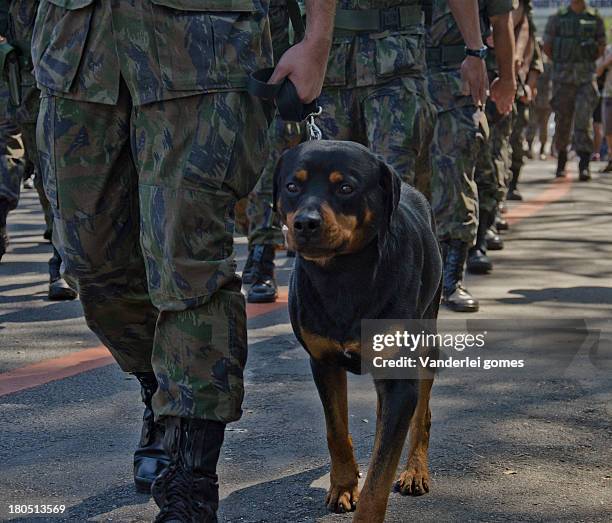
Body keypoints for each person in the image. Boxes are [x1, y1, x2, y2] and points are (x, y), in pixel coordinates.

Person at [31, 0, 335, 521]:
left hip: (203, 51)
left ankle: (190, 479)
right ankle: (160, 386)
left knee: (188, 263)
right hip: (77, 52)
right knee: (90, 263)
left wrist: (317, 39)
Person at [427, 0, 516, 312]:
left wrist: (507, 79)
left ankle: (451, 279)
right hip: (397, 74)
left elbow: (502, 21)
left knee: (455, 176)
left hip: (458, 80)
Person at [2, 0, 77, 300]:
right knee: (40, 168)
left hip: (60, 76)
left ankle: (62, 264)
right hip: (18, 76)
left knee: (57, 172)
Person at [544, 0, 605, 180]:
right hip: (562, 80)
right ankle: (561, 160)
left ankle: (584, 164)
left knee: (583, 120)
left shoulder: (595, 19)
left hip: (585, 79)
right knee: (562, 121)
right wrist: (563, 63)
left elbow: (601, 47)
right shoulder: (557, 18)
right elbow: (547, 47)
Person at [507, 1, 543, 201]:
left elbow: (536, 63)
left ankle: (512, 184)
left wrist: (529, 85)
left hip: (519, 91)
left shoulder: (527, 34)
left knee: (516, 140)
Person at [525, 47, 552, 161]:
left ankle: (542, 150)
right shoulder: (533, 63)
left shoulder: (548, 66)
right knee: (531, 124)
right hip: (534, 100)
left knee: (543, 127)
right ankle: (529, 148)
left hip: (545, 101)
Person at [596, 36, 612, 173]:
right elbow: (598, 71)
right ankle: (611, 159)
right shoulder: (608, 50)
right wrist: (608, 61)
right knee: (608, 130)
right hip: (609, 94)